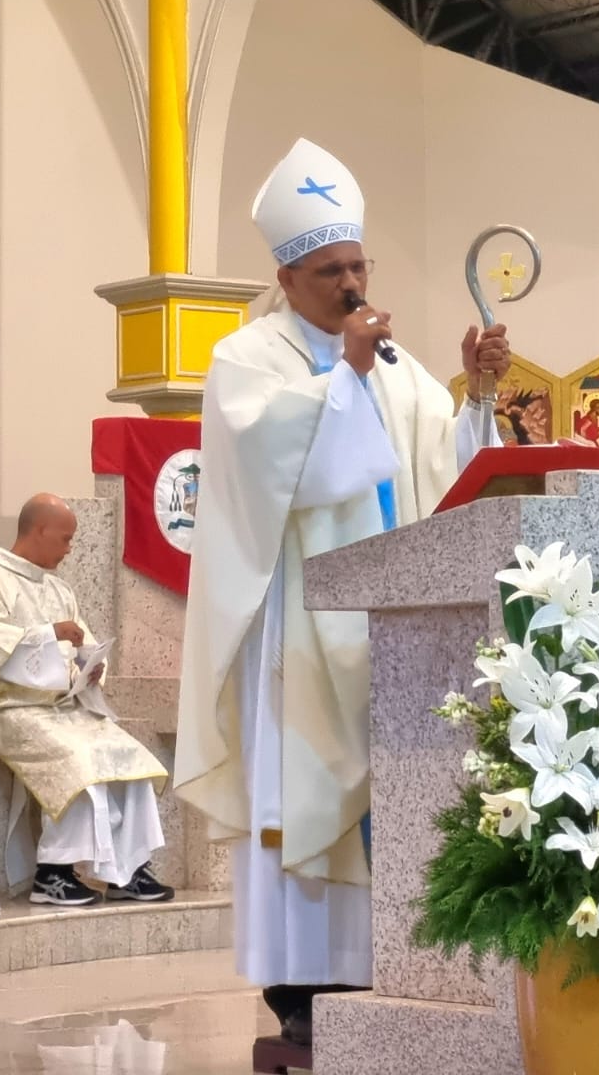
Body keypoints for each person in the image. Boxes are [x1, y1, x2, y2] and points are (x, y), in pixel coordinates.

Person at [174, 137, 510, 1047]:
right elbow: (283, 472)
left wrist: (477, 395)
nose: (353, 284)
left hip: (390, 629)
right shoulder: (248, 358)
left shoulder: (392, 363)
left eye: (359, 266)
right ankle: (302, 990)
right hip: (301, 624)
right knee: (309, 789)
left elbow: (445, 468)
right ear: (287, 277)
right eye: (331, 271)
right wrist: (347, 375)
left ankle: (389, 972)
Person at [0, 494, 172, 908]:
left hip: (63, 705)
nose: (69, 549)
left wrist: (91, 667)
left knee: (128, 756)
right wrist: (50, 634)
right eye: (65, 539)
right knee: (77, 759)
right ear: (40, 530)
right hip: (5, 707)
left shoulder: (58, 588)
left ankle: (128, 870)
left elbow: (82, 643)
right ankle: (54, 874)